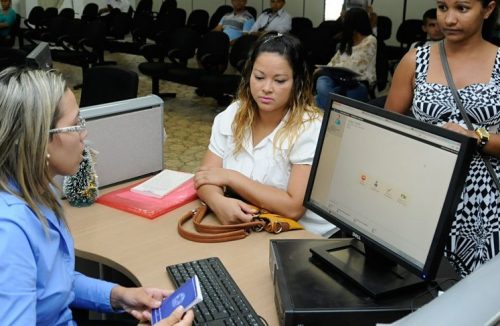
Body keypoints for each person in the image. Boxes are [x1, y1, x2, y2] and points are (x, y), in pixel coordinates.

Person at [0, 67, 193, 326]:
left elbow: (55, 282)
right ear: (39, 140)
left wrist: (120, 295)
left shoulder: (39, 190)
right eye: (74, 125)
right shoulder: (10, 232)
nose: (84, 134)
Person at [385, 0, 500, 278]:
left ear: (488, 9)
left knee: (476, 295)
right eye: (442, 7)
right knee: (416, 286)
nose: (448, 19)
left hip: (482, 198)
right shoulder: (416, 59)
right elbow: (388, 128)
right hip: (423, 191)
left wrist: (477, 137)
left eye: (462, 8)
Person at [194, 32, 335, 237]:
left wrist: (232, 178)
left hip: (302, 236)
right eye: (259, 77)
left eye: (279, 81)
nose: (266, 88)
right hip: (254, 226)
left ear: (297, 82)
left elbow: (293, 207)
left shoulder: (310, 126)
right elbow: (205, 176)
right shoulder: (233, 114)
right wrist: (218, 202)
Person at [315, 7, 377, 110]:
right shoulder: (347, 42)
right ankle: (329, 108)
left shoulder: (370, 40)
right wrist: (325, 70)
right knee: (322, 80)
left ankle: (325, 106)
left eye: (345, 21)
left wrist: (326, 70)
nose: (343, 24)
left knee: (330, 94)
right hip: (337, 79)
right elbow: (332, 63)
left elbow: (355, 67)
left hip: (357, 83)